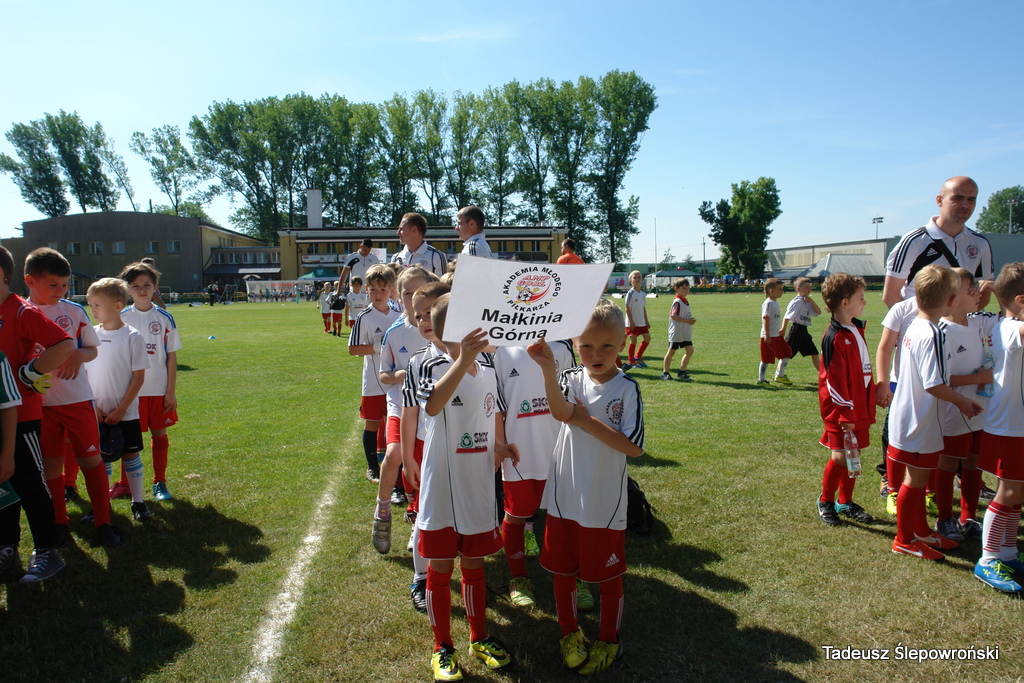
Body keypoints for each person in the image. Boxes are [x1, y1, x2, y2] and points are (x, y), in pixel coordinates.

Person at [526, 298, 644, 675]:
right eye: (587, 345)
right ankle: (569, 633)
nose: (596, 354)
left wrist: (586, 421)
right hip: (564, 495)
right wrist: (548, 369)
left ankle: (609, 640)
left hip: (602, 501)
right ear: (575, 344)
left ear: (623, 342)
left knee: (607, 575)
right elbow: (561, 412)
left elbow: (633, 448)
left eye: (607, 345)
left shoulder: (627, 389)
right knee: (563, 571)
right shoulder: (571, 378)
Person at [413, 293, 516, 681]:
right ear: (452, 332)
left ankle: (478, 637)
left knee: (474, 566)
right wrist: (461, 360)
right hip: (442, 491)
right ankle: (442, 646)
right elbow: (432, 405)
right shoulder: (429, 363)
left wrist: (498, 447)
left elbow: (483, 419)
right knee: (441, 569)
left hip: (477, 488)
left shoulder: (487, 369)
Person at [23, 248, 120, 547]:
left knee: (90, 459)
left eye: (65, 284)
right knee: (51, 467)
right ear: (30, 281)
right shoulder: (21, 313)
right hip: (40, 406)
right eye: (53, 284)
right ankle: (59, 522)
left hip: (77, 400)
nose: (61, 290)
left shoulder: (74, 311)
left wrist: (78, 354)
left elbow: (92, 349)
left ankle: (104, 522)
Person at [888, 265, 982, 561]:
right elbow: (934, 384)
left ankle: (921, 532)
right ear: (951, 300)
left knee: (917, 477)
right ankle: (904, 540)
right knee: (915, 481)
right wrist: (962, 401)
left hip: (910, 416)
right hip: (920, 421)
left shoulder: (916, 326)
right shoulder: (933, 334)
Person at [0, 245, 74, 584]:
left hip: (22, 415)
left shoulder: (20, 311)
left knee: (29, 482)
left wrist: (29, 373)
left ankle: (47, 550)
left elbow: (64, 344)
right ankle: (7, 547)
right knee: (4, 484)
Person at [493, 338, 576, 609]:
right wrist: (499, 445)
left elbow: (574, 396)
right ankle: (519, 577)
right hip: (520, 450)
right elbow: (497, 407)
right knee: (516, 515)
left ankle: (575, 576)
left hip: (559, 448)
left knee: (568, 516)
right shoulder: (502, 348)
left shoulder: (561, 344)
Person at [372, 266, 437, 554]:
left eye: (420, 291)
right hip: (400, 406)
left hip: (431, 411)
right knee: (396, 454)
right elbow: (383, 375)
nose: (414, 298)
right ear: (398, 295)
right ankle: (382, 511)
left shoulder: (440, 328)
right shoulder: (395, 332)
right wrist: (401, 375)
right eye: (408, 293)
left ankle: (417, 520)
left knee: (425, 464)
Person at [85, 278, 154, 524]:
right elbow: (84, 375)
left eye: (97, 305)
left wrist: (121, 408)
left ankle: (138, 501)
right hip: (97, 412)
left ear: (116, 306)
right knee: (100, 458)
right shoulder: (90, 335)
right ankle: (101, 504)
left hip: (126, 413)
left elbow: (138, 377)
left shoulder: (132, 336)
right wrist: (93, 407)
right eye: (90, 305)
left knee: (130, 455)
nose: (92, 310)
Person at [934, 268, 995, 542]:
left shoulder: (979, 321)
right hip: (954, 410)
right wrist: (979, 377)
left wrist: (993, 287)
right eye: (971, 290)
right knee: (948, 463)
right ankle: (945, 517)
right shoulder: (942, 331)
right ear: (951, 296)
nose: (977, 294)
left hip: (981, 409)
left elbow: (1011, 313)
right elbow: (939, 379)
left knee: (974, 463)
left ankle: (968, 517)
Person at [974, 262, 1024, 590]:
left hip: (1014, 424)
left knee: (1017, 492)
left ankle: (1007, 551)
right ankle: (988, 559)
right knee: (1008, 492)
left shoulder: (1006, 323)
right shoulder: (1010, 328)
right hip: (1009, 426)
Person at [400, 281, 450, 613]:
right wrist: (408, 458)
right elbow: (409, 412)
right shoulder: (419, 361)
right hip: (427, 447)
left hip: (465, 450)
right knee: (425, 513)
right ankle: (420, 578)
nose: (423, 321)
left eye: (430, 312)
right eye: (418, 316)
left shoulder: (479, 355)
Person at [115, 261, 181, 502]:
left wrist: (170, 391)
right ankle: (125, 484)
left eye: (146, 285)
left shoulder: (164, 317)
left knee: (159, 434)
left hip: (158, 389)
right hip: (130, 391)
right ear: (127, 289)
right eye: (135, 286)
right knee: (128, 439)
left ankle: (159, 482)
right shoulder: (121, 317)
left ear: (155, 286)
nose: (141, 290)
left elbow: (171, 357)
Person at [815, 273, 876, 527]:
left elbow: (862, 372)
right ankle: (826, 501)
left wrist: (873, 394)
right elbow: (834, 380)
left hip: (858, 406)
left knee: (853, 454)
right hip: (840, 410)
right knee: (841, 456)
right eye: (860, 298)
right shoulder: (834, 336)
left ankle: (845, 501)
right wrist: (845, 412)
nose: (864, 302)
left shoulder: (855, 329)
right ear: (844, 302)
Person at [883, 176, 993, 309]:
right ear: (939, 200)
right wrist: (920, 320)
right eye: (957, 198)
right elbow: (890, 296)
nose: (965, 204)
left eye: (971, 199)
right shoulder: (914, 240)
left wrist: (963, 319)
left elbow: (984, 290)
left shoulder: (980, 243)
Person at [348, 264, 400, 483]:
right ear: (366, 290)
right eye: (373, 289)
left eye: (383, 289)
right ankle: (372, 467)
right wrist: (380, 346)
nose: (378, 294)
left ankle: (396, 465)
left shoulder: (399, 314)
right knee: (372, 423)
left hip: (396, 380)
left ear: (391, 290)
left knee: (396, 422)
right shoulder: (365, 317)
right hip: (373, 381)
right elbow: (353, 349)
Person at [875, 295, 920, 513]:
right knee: (893, 433)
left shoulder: (949, 308)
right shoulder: (903, 309)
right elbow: (885, 348)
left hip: (933, 389)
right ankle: (890, 480)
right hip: (900, 383)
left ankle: (927, 487)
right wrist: (883, 383)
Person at [778, 276, 822, 381]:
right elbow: (787, 316)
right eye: (806, 287)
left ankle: (822, 374)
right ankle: (779, 375)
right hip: (796, 330)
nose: (809, 289)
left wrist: (811, 301)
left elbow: (818, 312)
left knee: (814, 352)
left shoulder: (807, 301)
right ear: (798, 288)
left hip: (804, 330)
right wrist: (783, 329)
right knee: (788, 353)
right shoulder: (797, 301)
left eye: (810, 287)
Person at [757, 278, 791, 386]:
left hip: (777, 335)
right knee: (766, 359)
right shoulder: (768, 303)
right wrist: (767, 334)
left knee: (787, 353)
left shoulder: (775, 303)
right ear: (771, 291)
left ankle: (779, 375)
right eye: (780, 289)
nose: (782, 291)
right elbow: (766, 318)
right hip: (769, 336)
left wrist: (780, 330)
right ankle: (761, 380)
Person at [393, 212, 449, 277]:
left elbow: (443, 282)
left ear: (414, 230)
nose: (397, 232)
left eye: (401, 229)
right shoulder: (395, 258)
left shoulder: (436, 256)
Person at [662, 278, 696, 381]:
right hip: (676, 332)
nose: (686, 290)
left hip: (684, 332)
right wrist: (687, 321)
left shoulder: (685, 301)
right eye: (683, 288)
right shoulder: (677, 302)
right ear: (676, 289)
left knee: (690, 350)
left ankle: (682, 371)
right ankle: (665, 373)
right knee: (671, 352)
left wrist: (688, 320)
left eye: (688, 288)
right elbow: (673, 315)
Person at [622, 271, 650, 370]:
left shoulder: (642, 294)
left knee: (647, 338)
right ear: (630, 281)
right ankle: (631, 361)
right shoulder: (630, 293)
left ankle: (638, 356)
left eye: (639, 277)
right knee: (633, 340)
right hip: (632, 322)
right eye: (635, 277)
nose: (637, 279)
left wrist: (646, 321)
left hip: (641, 322)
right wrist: (631, 322)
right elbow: (627, 308)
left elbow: (643, 308)